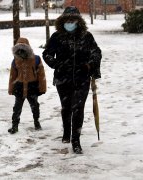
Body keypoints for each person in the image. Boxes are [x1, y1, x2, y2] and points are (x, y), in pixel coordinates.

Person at [42, 6, 102, 154]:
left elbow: (96, 53)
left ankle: (76, 140)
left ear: (78, 21)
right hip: (63, 79)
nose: (70, 22)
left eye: (73, 20)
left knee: (78, 109)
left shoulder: (86, 37)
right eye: (67, 20)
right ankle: (66, 132)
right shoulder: (56, 37)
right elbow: (47, 54)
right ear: (62, 21)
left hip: (82, 79)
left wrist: (90, 65)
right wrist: (57, 64)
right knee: (66, 107)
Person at [8, 37, 47, 134]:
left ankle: (36, 122)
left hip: (32, 87)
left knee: (35, 106)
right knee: (17, 107)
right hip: (19, 87)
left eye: (23, 48)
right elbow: (13, 75)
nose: (21, 51)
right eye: (19, 48)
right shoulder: (15, 60)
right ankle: (15, 126)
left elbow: (41, 74)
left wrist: (42, 87)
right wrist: (11, 88)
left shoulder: (36, 59)